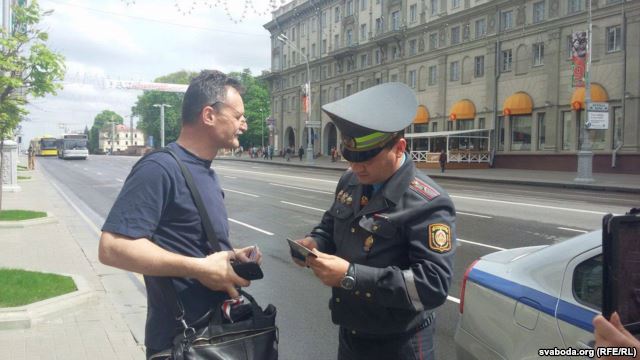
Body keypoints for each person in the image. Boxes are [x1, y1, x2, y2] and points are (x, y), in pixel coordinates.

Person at [98, 70, 261, 359]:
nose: (244, 125)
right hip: (179, 342)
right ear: (209, 115)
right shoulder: (160, 168)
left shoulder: (205, 172)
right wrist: (200, 268)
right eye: (238, 116)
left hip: (213, 334)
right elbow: (113, 248)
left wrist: (229, 255)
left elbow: (186, 242)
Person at [291, 83, 456, 360]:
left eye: (366, 158)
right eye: (350, 157)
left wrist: (351, 275)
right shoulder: (351, 180)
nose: (356, 167)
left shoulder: (428, 202)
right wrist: (315, 242)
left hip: (399, 343)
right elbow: (330, 224)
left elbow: (432, 286)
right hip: (352, 333)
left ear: (399, 147)